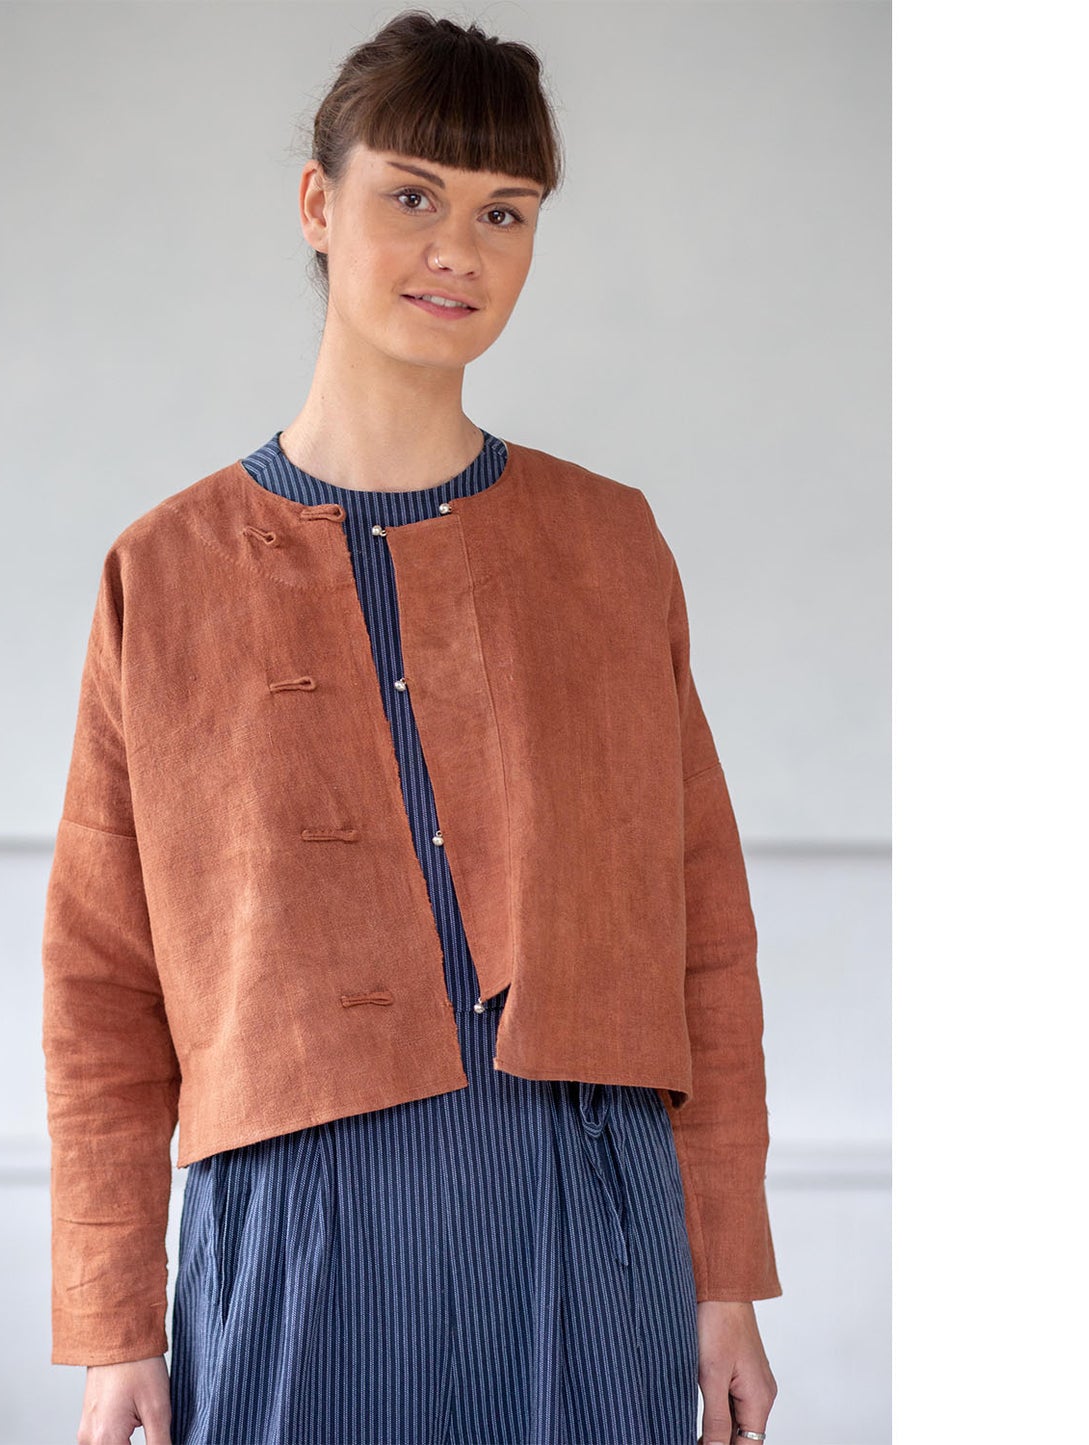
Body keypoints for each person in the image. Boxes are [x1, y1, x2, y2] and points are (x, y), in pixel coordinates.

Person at [42, 11, 781, 1445]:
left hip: (587, 1213)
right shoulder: (166, 572)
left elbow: (705, 930)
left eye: (504, 210)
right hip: (293, 1229)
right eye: (413, 195)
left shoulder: (609, 546)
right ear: (318, 205)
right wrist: (114, 1322)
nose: (459, 249)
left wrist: (725, 1274)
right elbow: (101, 984)